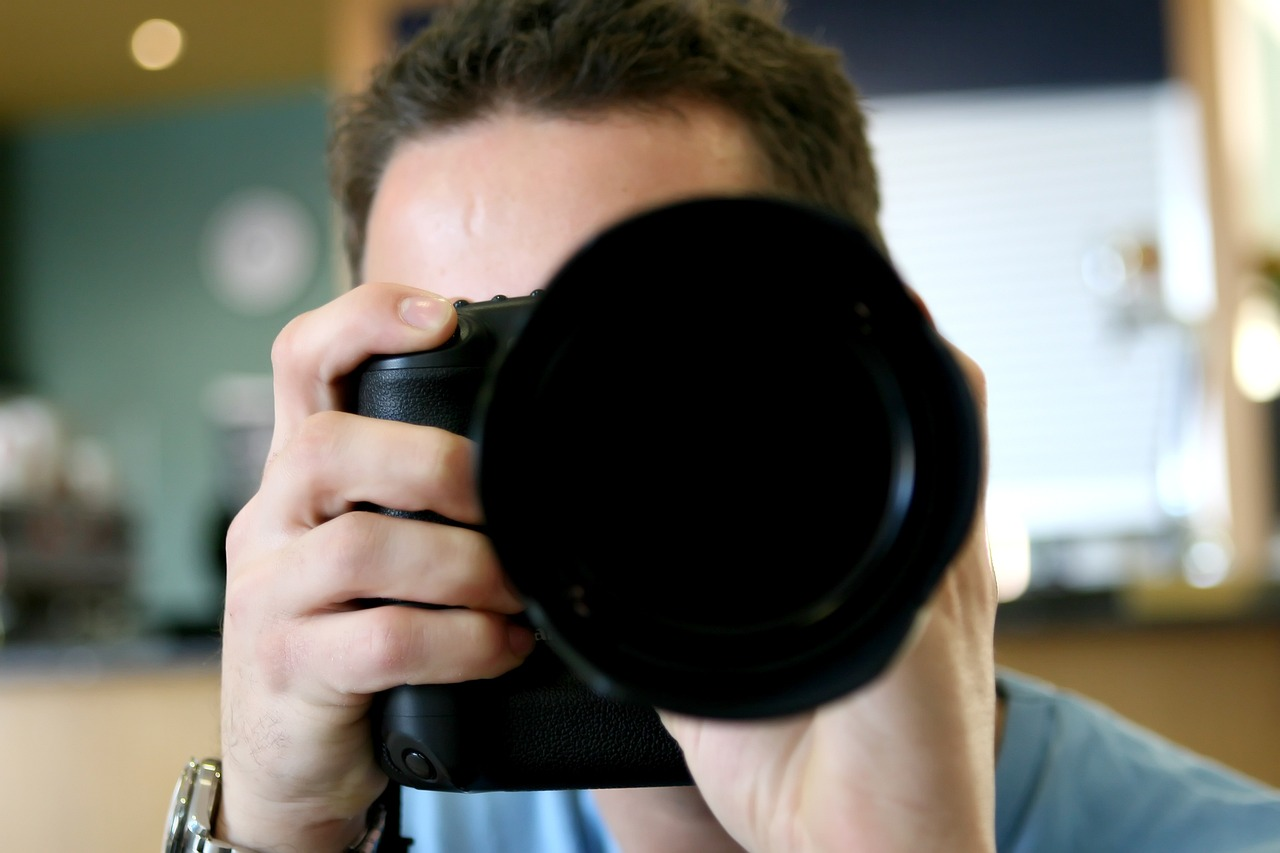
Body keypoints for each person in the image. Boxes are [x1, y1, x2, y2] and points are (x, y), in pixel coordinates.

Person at [199, 1, 1280, 851]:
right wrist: (275, 835)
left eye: (657, 368)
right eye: (495, 381)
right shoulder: (390, 817)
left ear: (871, 373)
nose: (576, 470)